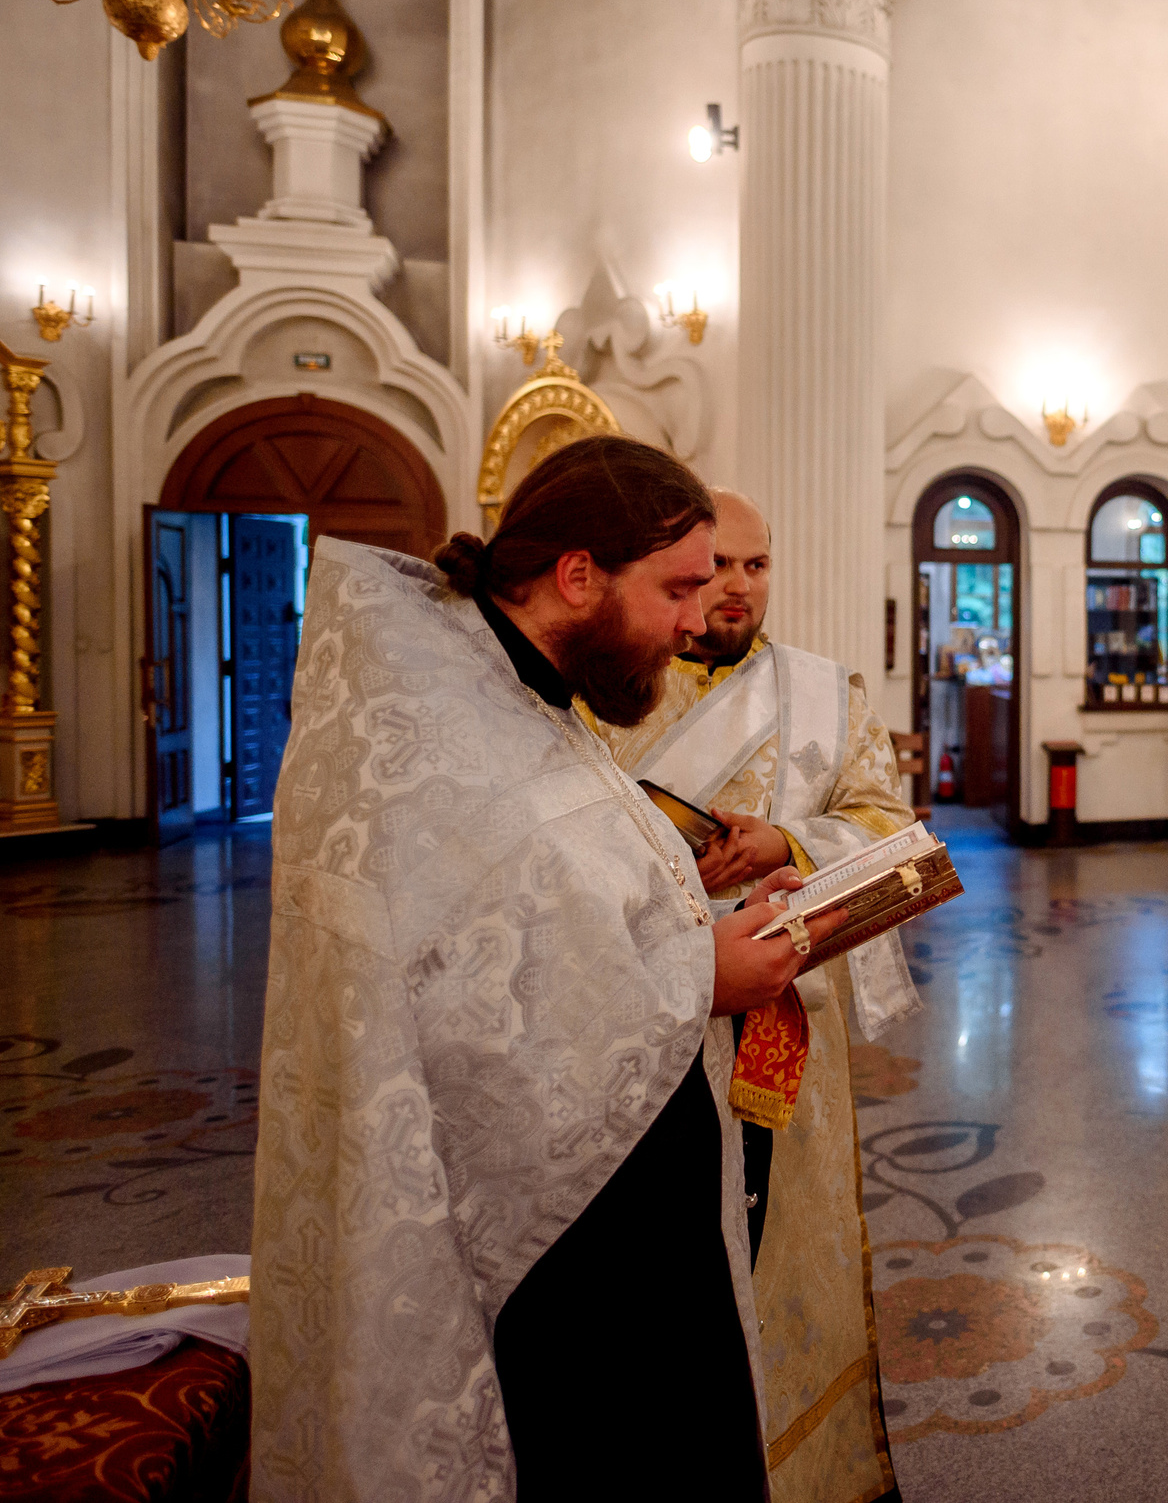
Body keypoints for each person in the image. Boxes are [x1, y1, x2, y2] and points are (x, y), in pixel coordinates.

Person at [251, 435, 847, 1498]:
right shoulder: (434, 733)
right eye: (677, 587)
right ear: (579, 575)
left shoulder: (525, 694)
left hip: (629, 1228)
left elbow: (554, 933)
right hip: (549, 1269)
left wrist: (706, 935)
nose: (693, 618)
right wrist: (699, 977)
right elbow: (454, 1025)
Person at [588, 486, 913, 1502]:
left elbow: (894, 832)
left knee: (784, 1247)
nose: (736, 586)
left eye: (756, 565)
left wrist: (788, 841)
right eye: (716, 565)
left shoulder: (825, 692)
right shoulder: (605, 690)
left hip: (785, 1025)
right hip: (641, 1018)